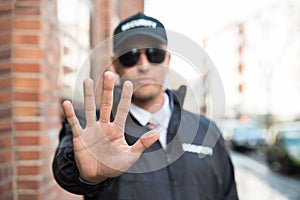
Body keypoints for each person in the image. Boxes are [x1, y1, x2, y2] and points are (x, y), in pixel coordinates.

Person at [52, 12, 239, 200]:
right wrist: (87, 176)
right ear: (116, 65)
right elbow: (66, 171)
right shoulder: (92, 128)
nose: (143, 65)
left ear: (167, 60)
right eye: (130, 56)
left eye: (154, 54)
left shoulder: (207, 131)